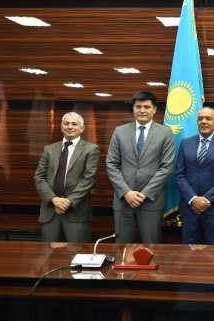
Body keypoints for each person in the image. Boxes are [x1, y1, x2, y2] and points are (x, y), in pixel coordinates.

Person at [106, 91, 175, 243]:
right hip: (124, 200)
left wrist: (144, 194)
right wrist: (126, 192)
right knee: (122, 247)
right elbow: (111, 164)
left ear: (154, 109)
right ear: (133, 108)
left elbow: (167, 167)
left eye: (146, 107)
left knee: (151, 247)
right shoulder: (119, 131)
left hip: (151, 201)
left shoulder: (165, 132)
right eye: (138, 107)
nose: (142, 110)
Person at [34, 112, 100, 242]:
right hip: (51, 210)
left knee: (78, 252)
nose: (70, 127)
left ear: (82, 128)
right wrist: (54, 199)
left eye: (74, 124)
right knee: (49, 252)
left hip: (77, 212)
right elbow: (39, 177)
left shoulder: (91, 149)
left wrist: (68, 201)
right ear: (61, 127)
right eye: (66, 123)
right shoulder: (49, 149)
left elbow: (90, 178)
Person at [175, 106, 214, 245]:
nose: (204, 122)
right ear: (197, 122)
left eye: (208, 118)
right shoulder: (185, 143)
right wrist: (193, 199)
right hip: (190, 208)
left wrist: (205, 200)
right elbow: (179, 175)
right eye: (200, 119)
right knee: (188, 252)